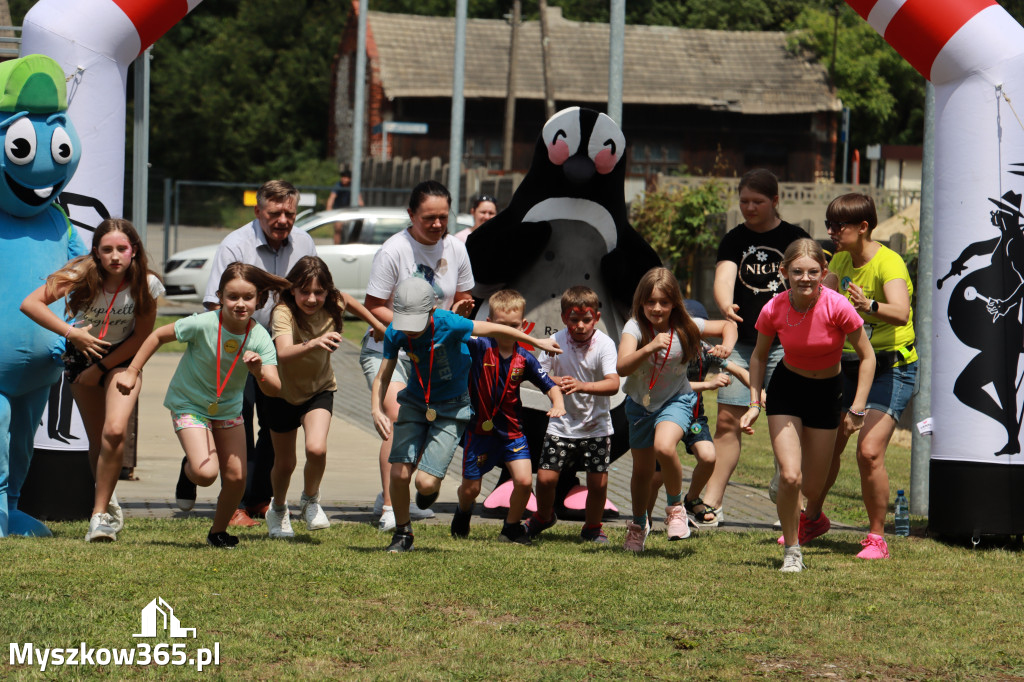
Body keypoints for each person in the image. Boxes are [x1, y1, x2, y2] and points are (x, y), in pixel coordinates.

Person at [370, 277, 562, 553]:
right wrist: (376, 408)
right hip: (414, 402)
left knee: (425, 483)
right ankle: (403, 533)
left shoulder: (450, 323)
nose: (409, 331)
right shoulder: (396, 331)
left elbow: (491, 327)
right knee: (399, 473)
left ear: (432, 311)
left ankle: (429, 491)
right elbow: (383, 375)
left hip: (452, 407)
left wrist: (535, 342)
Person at [118, 263, 288, 548]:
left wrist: (258, 371)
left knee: (236, 478)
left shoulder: (259, 337)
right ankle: (189, 472)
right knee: (206, 474)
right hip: (190, 404)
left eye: (248, 298)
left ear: (259, 300)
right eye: (233, 297)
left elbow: (274, 387)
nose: (240, 304)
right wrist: (132, 371)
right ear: (220, 296)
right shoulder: (203, 323)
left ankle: (217, 533)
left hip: (228, 409)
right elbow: (158, 335)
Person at [180, 180, 316, 527]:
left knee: (275, 422)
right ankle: (233, 502)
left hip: (280, 345)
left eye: (290, 212)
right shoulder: (235, 245)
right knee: (236, 417)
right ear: (258, 212)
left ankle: (258, 499)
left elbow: (310, 292)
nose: (283, 219)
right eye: (275, 213)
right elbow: (214, 301)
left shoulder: (304, 242)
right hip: (237, 344)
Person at [20, 219, 163, 542]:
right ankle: (106, 498)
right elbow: (30, 303)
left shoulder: (147, 284)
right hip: (81, 355)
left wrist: (104, 368)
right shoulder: (82, 274)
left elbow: (142, 336)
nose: (115, 256)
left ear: (134, 250)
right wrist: (72, 334)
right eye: (107, 249)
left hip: (123, 359)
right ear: (96, 253)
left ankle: (98, 518)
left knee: (115, 430)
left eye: (122, 249)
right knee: (98, 438)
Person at [740, 239, 875, 572]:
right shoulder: (773, 307)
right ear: (785, 272)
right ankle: (792, 551)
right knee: (790, 476)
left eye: (813, 272)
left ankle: (806, 506)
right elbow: (758, 356)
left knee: (812, 486)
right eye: (797, 271)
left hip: (827, 392)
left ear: (823, 273)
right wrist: (755, 401)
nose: (805, 278)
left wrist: (857, 408)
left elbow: (867, 357)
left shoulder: (838, 306)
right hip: (787, 389)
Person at [800, 194, 918, 559]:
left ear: (863, 227)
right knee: (827, 447)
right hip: (848, 365)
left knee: (868, 452)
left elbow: (900, 312)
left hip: (891, 366)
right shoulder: (839, 259)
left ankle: (876, 537)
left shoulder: (889, 262)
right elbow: (826, 296)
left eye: (839, 226)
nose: (832, 232)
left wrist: (871, 307)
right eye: (829, 226)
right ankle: (813, 519)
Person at [361, 180, 475, 531]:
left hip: (437, 354)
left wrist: (460, 309)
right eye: (429, 218)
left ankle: (403, 488)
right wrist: (411, 329)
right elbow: (374, 306)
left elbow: (464, 297)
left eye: (443, 217)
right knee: (398, 419)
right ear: (411, 215)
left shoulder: (455, 248)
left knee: (426, 424)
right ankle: (391, 509)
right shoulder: (394, 250)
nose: (438, 225)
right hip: (390, 347)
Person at [704, 169, 812, 524]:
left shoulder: (794, 237)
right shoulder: (734, 239)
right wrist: (725, 305)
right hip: (743, 341)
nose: (749, 208)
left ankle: (787, 488)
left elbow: (814, 276)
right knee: (726, 421)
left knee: (789, 423)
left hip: (787, 344)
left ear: (775, 200)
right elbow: (724, 276)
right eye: (744, 201)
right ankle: (712, 502)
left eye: (757, 202)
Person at [263, 256, 387, 538]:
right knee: (285, 463)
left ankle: (309, 500)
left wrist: (378, 325)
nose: (311, 298)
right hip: (281, 392)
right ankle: (278, 509)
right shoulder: (283, 312)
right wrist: (314, 342)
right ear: (292, 290)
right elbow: (282, 352)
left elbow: (349, 300)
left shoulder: (333, 301)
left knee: (317, 449)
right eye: (304, 291)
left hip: (319, 388)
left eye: (319, 292)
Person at [451, 289, 565, 545]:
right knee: (471, 490)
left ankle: (511, 528)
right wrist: (456, 317)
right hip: (479, 431)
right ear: (489, 324)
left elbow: (549, 385)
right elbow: (453, 335)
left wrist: (558, 402)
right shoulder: (478, 346)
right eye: (501, 325)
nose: (507, 330)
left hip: (513, 432)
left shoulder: (524, 359)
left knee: (524, 481)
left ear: (523, 326)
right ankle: (463, 510)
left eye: (514, 326)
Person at [616, 268, 708, 553]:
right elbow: (622, 367)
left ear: (674, 304)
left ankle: (676, 508)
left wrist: (727, 346)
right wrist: (650, 347)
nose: (657, 308)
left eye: (664, 302)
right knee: (642, 472)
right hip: (640, 406)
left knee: (665, 448)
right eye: (651, 302)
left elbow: (727, 327)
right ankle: (637, 524)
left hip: (677, 400)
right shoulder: (635, 327)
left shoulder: (686, 326)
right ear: (641, 303)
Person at [527, 286, 620, 544]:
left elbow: (613, 383)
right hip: (561, 423)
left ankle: (592, 527)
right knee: (545, 479)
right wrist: (557, 381)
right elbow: (538, 374)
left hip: (596, 426)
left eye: (586, 319)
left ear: (597, 318)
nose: (580, 325)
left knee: (598, 484)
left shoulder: (605, 344)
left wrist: (581, 385)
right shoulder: (554, 342)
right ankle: (544, 516)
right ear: (563, 317)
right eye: (573, 319)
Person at [647, 324, 749, 528]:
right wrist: (708, 384)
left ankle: (692, 499)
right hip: (664, 415)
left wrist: (759, 396)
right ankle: (643, 518)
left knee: (709, 457)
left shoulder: (704, 350)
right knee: (657, 475)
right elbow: (669, 385)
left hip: (693, 417)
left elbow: (737, 370)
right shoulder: (665, 351)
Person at [326, 170, 364, 245]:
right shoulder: (338, 185)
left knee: (354, 230)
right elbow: (331, 198)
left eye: (346, 177)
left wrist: (361, 211)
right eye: (343, 177)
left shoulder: (353, 186)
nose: (343, 179)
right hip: (339, 211)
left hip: (350, 211)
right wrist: (329, 210)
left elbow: (360, 201)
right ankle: (336, 246)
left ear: (350, 179)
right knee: (338, 229)